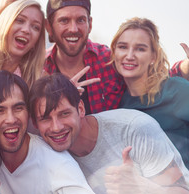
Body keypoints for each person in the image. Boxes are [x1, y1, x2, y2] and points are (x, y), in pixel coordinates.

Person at [29, 73, 189, 194]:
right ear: (35, 124)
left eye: (64, 114)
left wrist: (139, 186)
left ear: (81, 109)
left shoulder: (134, 128)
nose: (56, 127)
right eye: (46, 118)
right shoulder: (50, 154)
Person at [43, 0, 189, 115]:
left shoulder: (108, 60)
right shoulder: (39, 68)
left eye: (80, 20)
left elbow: (152, 78)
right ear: (49, 27)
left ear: (90, 24)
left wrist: (186, 66)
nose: (73, 29)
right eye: (64, 21)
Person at [110, 17, 189, 168]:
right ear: (114, 53)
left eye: (140, 49)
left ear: (153, 56)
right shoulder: (118, 104)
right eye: (123, 47)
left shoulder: (176, 91)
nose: (130, 55)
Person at [0, 0, 46, 88]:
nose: (26, 30)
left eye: (35, 27)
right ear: (5, 23)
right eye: (20, 20)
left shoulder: (38, 81)